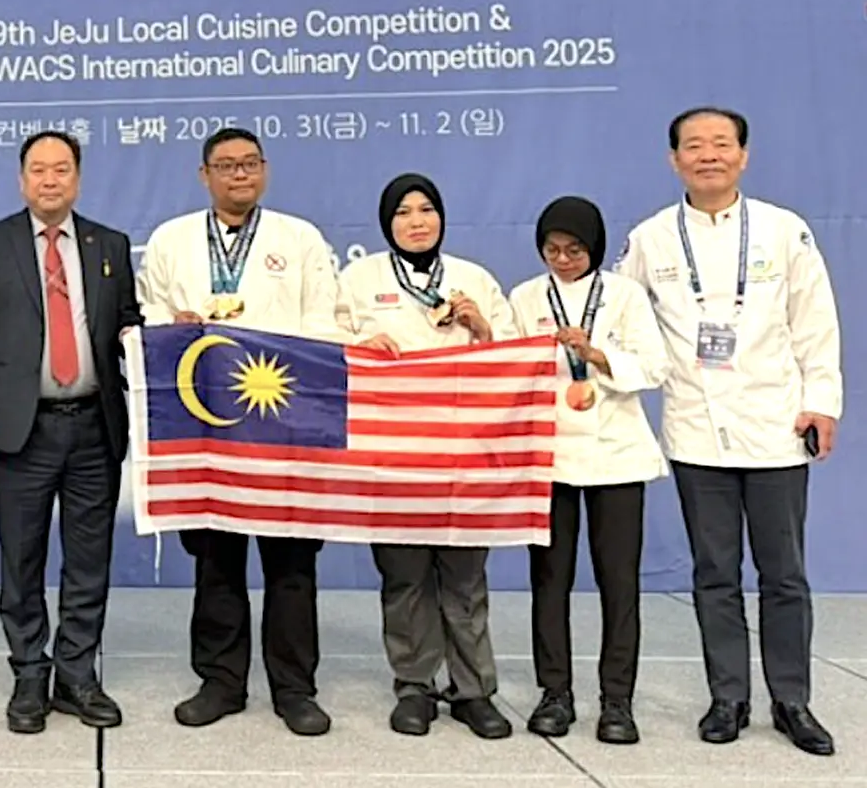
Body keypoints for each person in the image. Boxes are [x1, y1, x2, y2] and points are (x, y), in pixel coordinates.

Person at [616, 107, 839, 756]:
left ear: (743, 156)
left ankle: (792, 700)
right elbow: (619, 315)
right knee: (714, 572)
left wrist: (821, 403)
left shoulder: (784, 230)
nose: (707, 155)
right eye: (694, 146)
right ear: (674, 160)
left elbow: (815, 322)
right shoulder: (651, 238)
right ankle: (728, 697)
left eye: (721, 144)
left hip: (776, 424)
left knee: (784, 573)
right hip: (695, 428)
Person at [135, 127, 344, 737]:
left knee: (291, 562)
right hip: (207, 425)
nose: (239, 174)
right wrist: (173, 324)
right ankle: (221, 682)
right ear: (205, 175)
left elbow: (322, 323)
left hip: (286, 422)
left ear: (265, 169)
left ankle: (294, 688)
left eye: (249, 163)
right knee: (216, 560)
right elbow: (147, 312)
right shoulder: (171, 239)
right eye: (225, 166)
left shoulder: (299, 238)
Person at [0, 131, 142, 735]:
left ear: (77, 179)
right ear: (22, 179)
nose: (50, 180)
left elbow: (129, 325)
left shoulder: (110, 244)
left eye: (61, 169)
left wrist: (150, 335)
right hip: (21, 429)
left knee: (89, 561)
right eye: (38, 170)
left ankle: (76, 676)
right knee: (22, 559)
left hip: (94, 427)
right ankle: (29, 673)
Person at [333, 173, 516, 740]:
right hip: (393, 452)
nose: (417, 221)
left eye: (427, 209)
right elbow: (327, 344)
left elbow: (514, 357)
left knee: (465, 575)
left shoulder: (473, 278)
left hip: (464, 452)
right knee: (405, 574)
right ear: (386, 222)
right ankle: (414, 687)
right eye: (404, 212)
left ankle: (473, 691)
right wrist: (358, 346)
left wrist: (481, 328)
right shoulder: (359, 280)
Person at [508, 196, 669, 745]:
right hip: (549, 455)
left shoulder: (624, 295)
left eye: (574, 250)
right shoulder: (526, 297)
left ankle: (617, 702)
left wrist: (596, 355)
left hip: (616, 453)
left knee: (618, 583)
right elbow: (509, 367)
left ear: (594, 247)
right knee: (549, 581)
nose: (563, 259)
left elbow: (654, 367)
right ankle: (555, 694)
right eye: (552, 249)